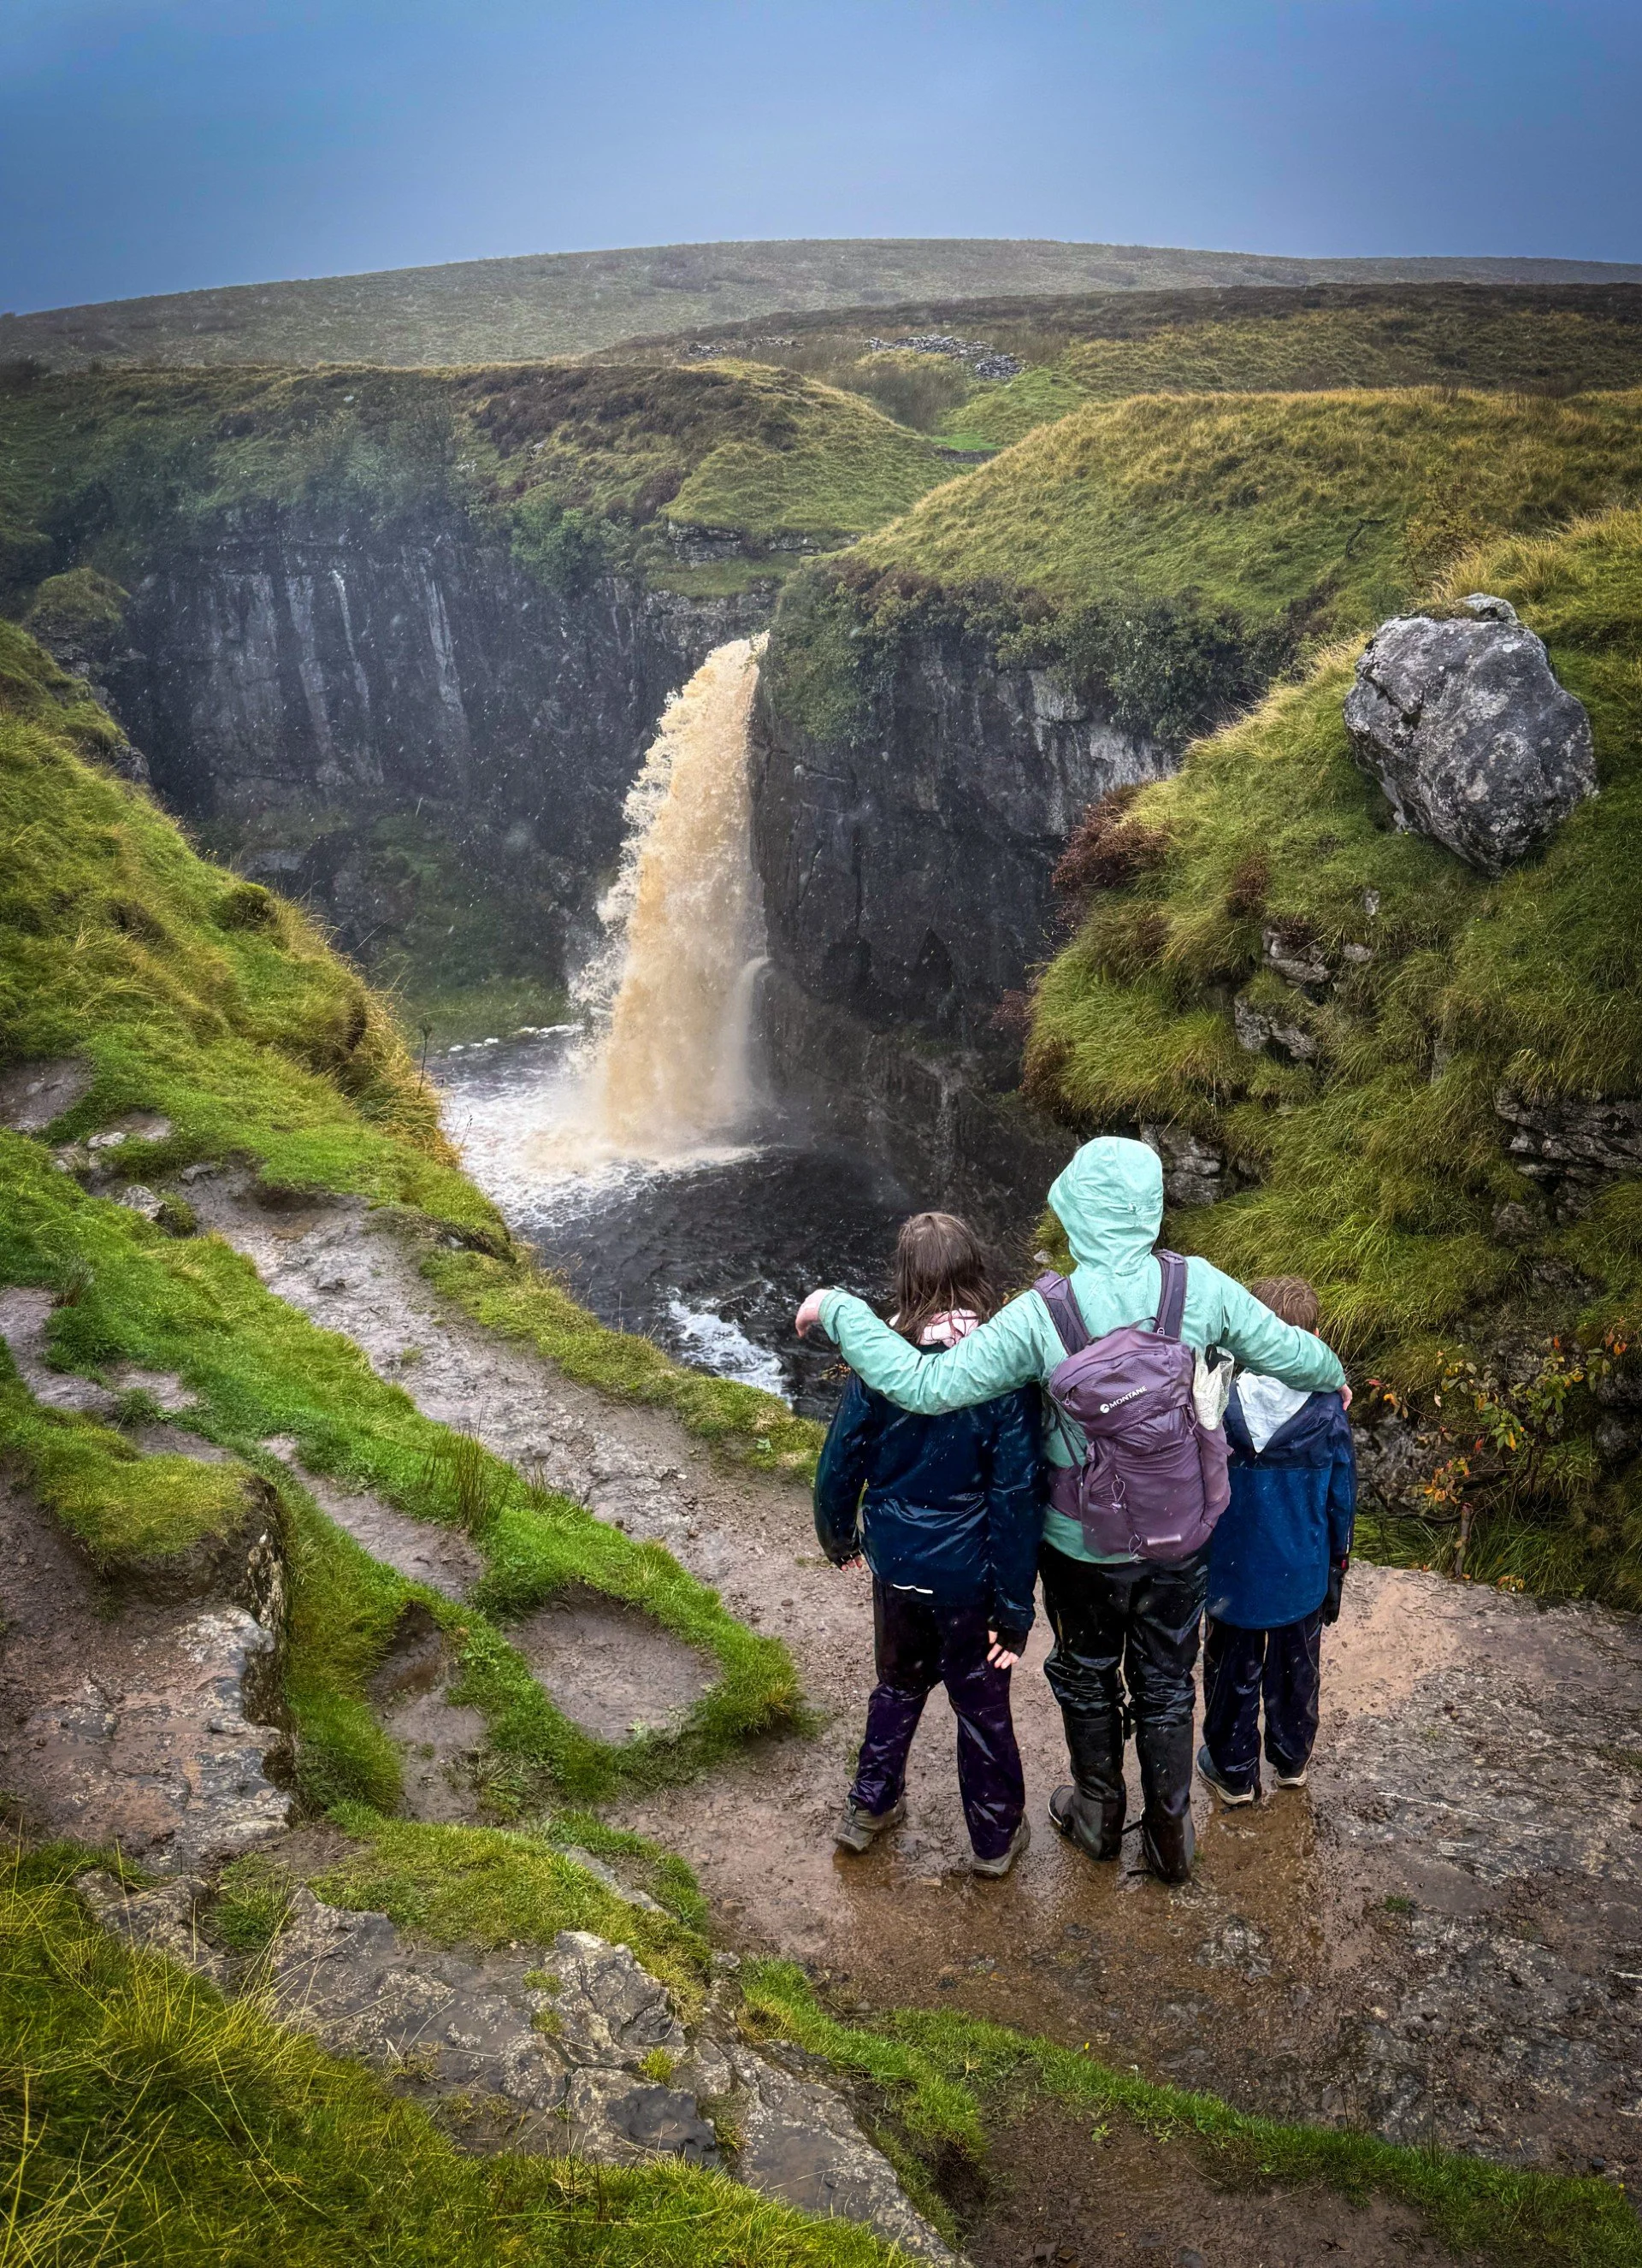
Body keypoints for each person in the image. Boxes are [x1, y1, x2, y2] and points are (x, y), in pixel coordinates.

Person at [799, 1137, 1347, 1885]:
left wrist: (839, 1310)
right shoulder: (1203, 1288)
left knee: (1088, 1671)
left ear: (1076, 1208)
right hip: (1180, 1535)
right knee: (1165, 1676)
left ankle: (1095, 1814)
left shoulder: (1038, 1314)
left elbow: (923, 1387)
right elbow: (1294, 1354)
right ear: (1149, 1207)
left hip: (1081, 1543)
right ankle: (1170, 1835)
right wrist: (1334, 1377)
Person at [812, 1210, 1042, 1879]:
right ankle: (995, 1841)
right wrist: (1015, 1610)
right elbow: (1016, 1496)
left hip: (900, 1566)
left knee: (898, 1687)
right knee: (981, 1707)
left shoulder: (881, 1360)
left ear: (905, 1280)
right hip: (971, 1581)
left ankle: (869, 1808)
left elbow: (840, 1462)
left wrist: (839, 1538)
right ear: (977, 1274)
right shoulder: (1003, 1370)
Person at [1197, 1275, 1356, 1805]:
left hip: (1233, 1571)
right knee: (1296, 1671)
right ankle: (1290, 1760)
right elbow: (1341, 1497)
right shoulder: (1328, 1411)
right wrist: (1338, 1560)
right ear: (1312, 1340)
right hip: (1301, 1570)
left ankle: (1234, 1770)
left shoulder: (1218, 1404)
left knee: (1230, 1673)